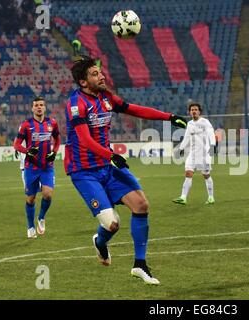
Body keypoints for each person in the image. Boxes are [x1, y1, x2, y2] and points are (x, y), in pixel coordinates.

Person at [65, 55, 187, 285]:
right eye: (94, 74)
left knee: (141, 204)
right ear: (83, 82)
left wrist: (169, 117)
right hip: (84, 171)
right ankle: (100, 242)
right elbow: (85, 140)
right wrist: (111, 155)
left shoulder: (106, 97)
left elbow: (135, 110)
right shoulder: (76, 104)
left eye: (100, 72)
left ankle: (140, 266)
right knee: (112, 224)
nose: (101, 76)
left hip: (107, 166)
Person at [13, 96, 61, 239]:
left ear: (44, 107)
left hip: (47, 166)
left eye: (41, 105)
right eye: (36, 105)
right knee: (31, 199)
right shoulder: (26, 125)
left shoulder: (52, 123)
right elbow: (16, 145)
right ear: (32, 108)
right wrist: (27, 151)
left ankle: (41, 217)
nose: (39, 107)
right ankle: (30, 226)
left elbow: (58, 139)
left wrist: (54, 152)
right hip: (31, 167)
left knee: (47, 194)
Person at [172, 102, 216, 205]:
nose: (194, 111)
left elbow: (211, 133)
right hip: (192, 154)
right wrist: (181, 148)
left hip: (204, 154)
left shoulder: (205, 122)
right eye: (192, 110)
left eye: (196, 109)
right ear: (190, 112)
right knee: (188, 174)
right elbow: (187, 137)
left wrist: (213, 145)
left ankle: (211, 197)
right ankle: (183, 197)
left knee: (206, 175)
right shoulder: (190, 124)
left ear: (199, 111)